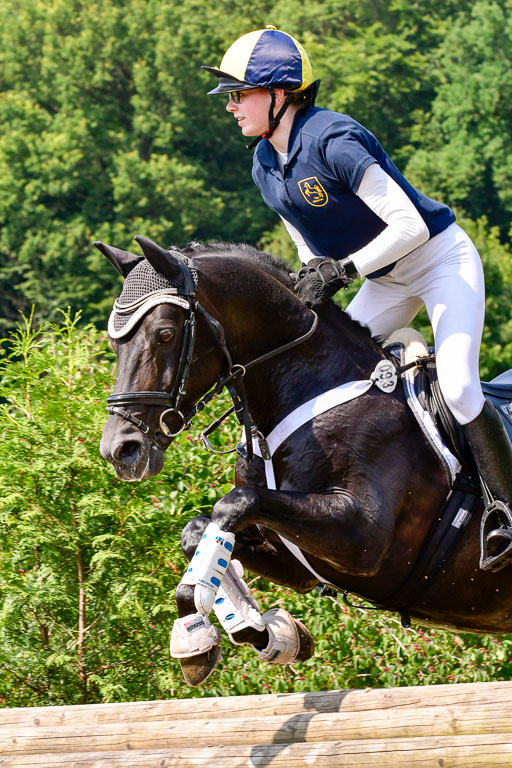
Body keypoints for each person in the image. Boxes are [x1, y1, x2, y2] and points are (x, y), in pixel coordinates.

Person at [201, 26, 512, 561]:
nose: (231, 106)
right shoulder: (264, 164)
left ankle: (507, 510)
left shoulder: (332, 138)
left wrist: (343, 271)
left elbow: (410, 226)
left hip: (440, 262)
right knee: (335, 378)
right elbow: (306, 240)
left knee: (460, 388)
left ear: (279, 93)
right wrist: (314, 277)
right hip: (385, 280)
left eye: (239, 93)